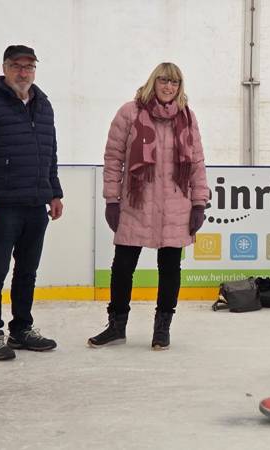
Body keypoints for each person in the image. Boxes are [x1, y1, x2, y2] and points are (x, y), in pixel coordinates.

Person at [88, 62, 209, 350]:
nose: (169, 86)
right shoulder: (130, 113)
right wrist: (111, 199)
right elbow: (113, 158)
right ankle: (116, 325)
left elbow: (197, 164)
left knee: (169, 268)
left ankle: (162, 328)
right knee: (123, 266)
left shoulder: (187, 118)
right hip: (135, 203)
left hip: (174, 205)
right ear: (154, 81)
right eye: (164, 80)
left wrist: (199, 203)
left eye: (175, 82)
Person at [0, 45, 64, 361]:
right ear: (5, 68)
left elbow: (49, 153)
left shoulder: (43, 106)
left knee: (27, 271)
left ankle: (21, 329)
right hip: (2, 205)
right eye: (17, 66)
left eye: (29, 66)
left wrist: (54, 191)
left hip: (35, 204)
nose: (23, 72)